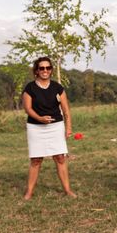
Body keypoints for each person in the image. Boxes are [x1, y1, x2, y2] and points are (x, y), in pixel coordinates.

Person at [22, 56, 76, 200]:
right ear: (37, 70)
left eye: (48, 68)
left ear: (51, 70)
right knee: (36, 160)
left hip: (56, 126)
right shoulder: (30, 87)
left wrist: (68, 127)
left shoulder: (58, 87)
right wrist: (39, 118)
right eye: (42, 68)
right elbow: (27, 108)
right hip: (35, 127)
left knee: (60, 158)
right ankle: (29, 192)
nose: (45, 70)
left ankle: (67, 190)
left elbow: (66, 110)